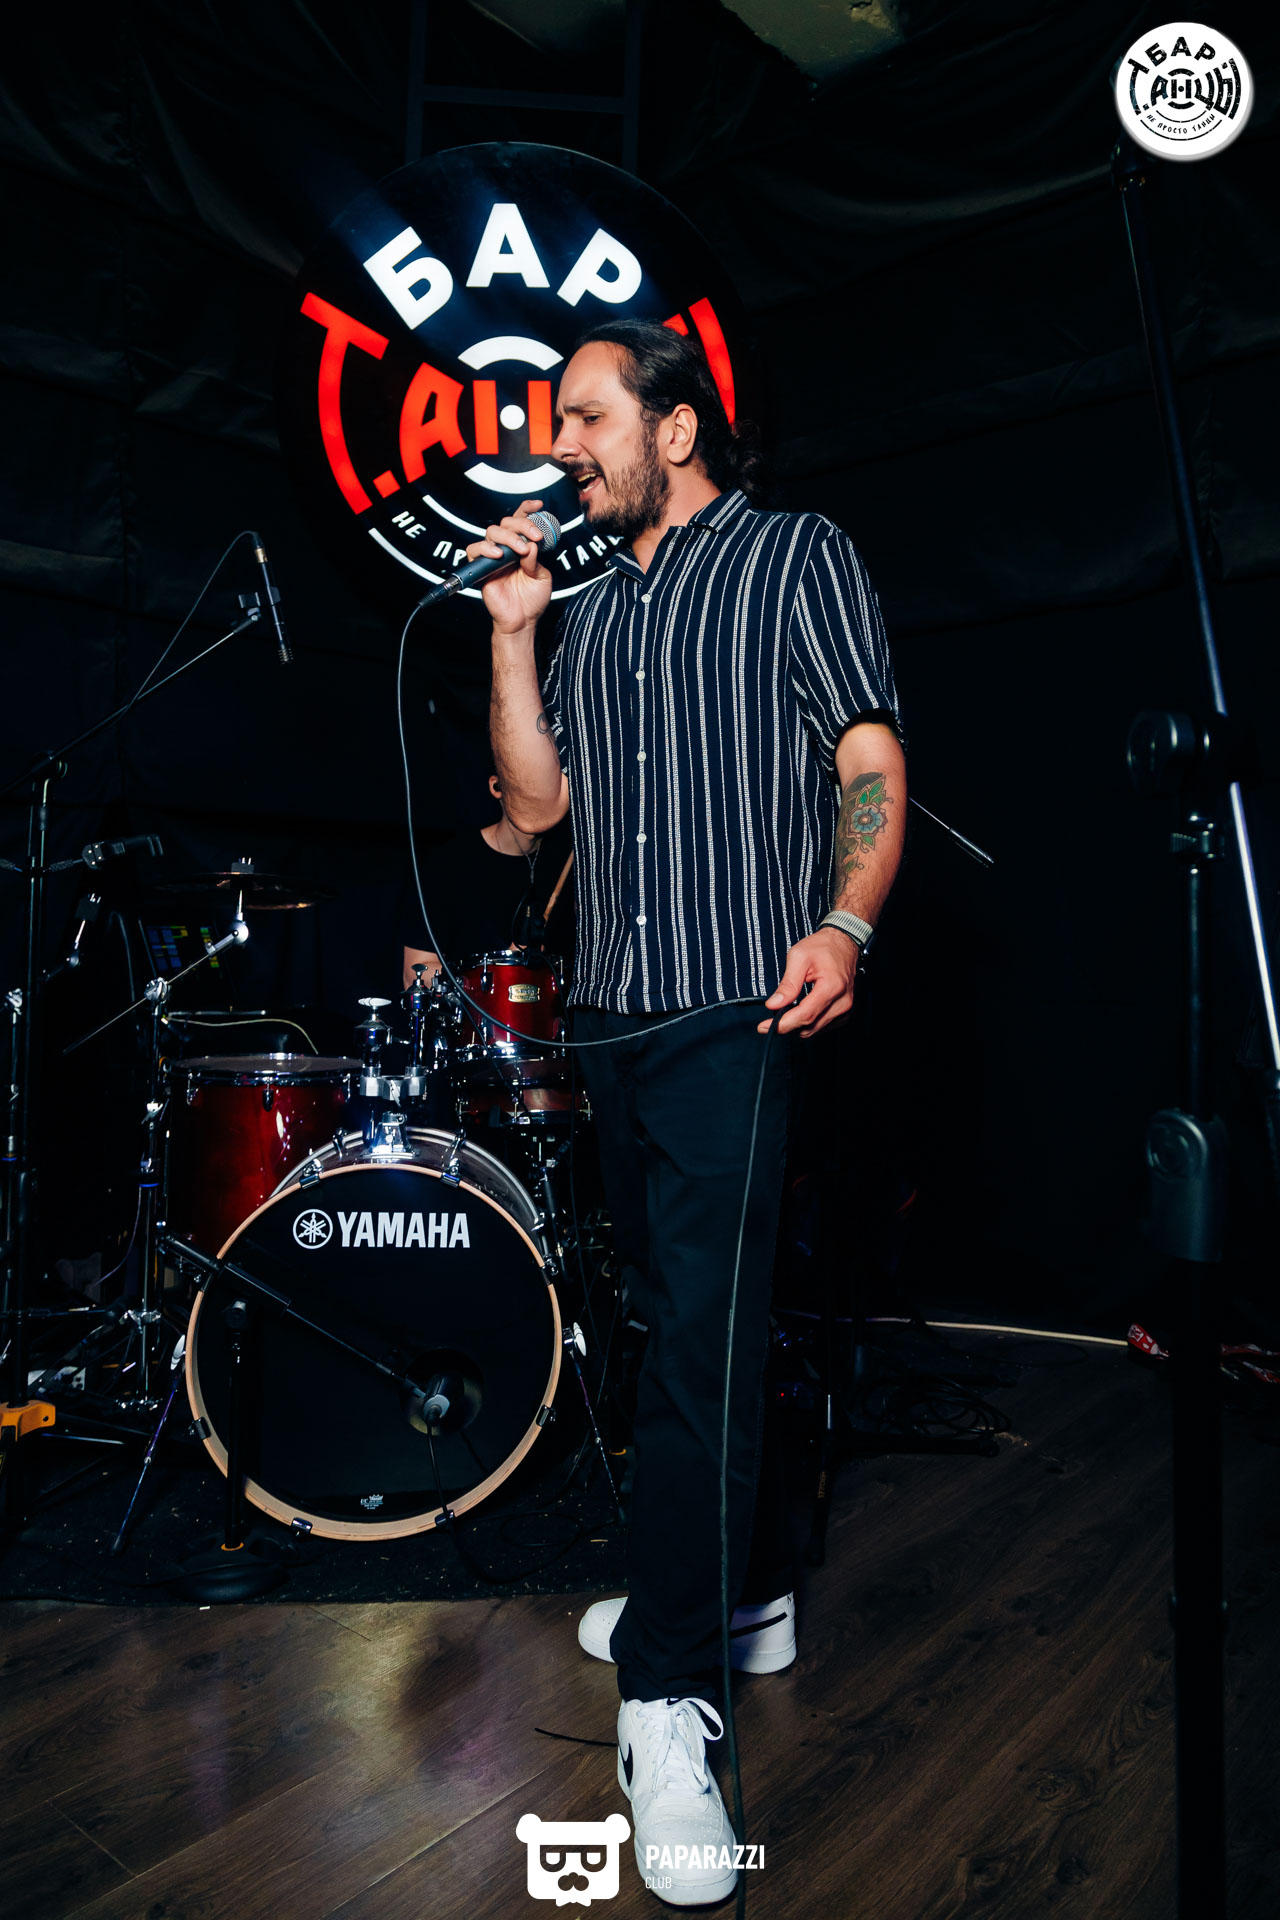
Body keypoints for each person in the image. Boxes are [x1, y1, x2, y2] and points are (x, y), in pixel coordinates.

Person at [477, 318, 906, 1907]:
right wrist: (514, 633)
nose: (561, 445)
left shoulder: (796, 556)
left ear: (674, 427)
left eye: (586, 416)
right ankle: (741, 1594)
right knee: (670, 1327)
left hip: (738, 1007)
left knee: (707, 1350)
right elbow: (537, 811)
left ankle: (670, 1697)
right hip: (612, 1016)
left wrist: (847, 921)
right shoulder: (588, 609)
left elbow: (867, 751)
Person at [401, 768, 573, 989]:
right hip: (470, 1011)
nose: (538, 794)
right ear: (496, 786)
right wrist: (497, 970)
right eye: (529, 782)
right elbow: (415, 973)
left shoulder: (573, 865)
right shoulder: (447, 864)